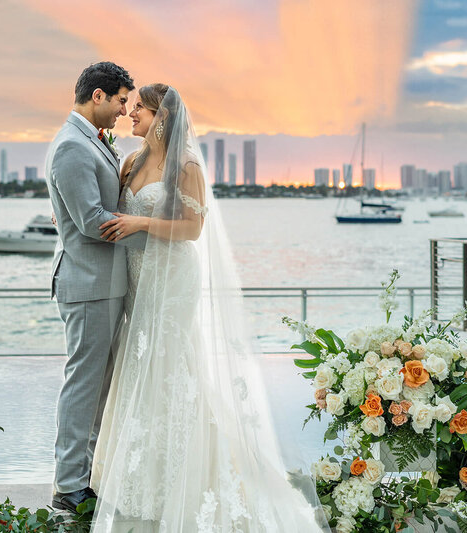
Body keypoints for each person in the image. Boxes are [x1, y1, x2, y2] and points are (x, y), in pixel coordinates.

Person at [90, 83, 328, 532]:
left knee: (173, 364)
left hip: (173, 277)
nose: (131, 115)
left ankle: (191, 473)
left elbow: (194, 230)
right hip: (138, 276)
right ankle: (142, 473)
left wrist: (141, 220)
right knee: (140, 363)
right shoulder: (131, 161)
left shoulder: (187, 166)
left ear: (162, 116)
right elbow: (106, 211)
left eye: (139, 108)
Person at [43, 61, 147, 514]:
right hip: (88, 284)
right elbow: (90, 221)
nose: (126, 110)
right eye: (122, 100)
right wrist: (161, 231)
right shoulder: (71, 146)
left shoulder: (91, 141)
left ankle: (82, 477)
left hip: (104, 282)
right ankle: (68, 485)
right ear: (99, 96)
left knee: (98, 384)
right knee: (84, 385)